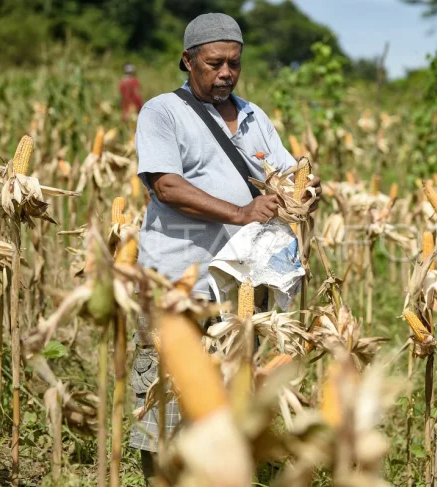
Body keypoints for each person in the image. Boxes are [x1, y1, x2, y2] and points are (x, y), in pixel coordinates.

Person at [129, 12, 321, 485]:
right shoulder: (162, 112)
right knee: (165, 396)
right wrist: (240, 213)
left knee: (233, 397)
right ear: (187, 60)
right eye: (214, 63)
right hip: (179, 278)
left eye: (234, 63)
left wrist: (305, 188)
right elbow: (167, 186)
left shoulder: (255, 116)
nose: (225, 73)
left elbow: (285, 171)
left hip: (242, 283)